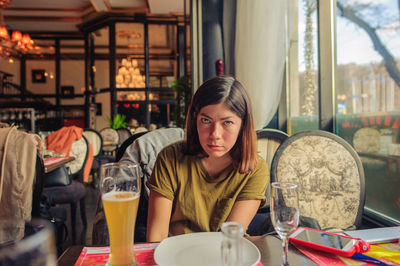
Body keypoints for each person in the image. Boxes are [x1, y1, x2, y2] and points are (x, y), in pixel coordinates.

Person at [146, 76, 269, 242]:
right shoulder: (170, 158)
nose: (215, 135)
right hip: (175, 255)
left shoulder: (256, 169)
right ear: (195, 119)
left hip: (225, 256)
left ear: (243, 125)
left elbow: (230, 239)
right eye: (206, 120)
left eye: (227, 123)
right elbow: (156, 237)